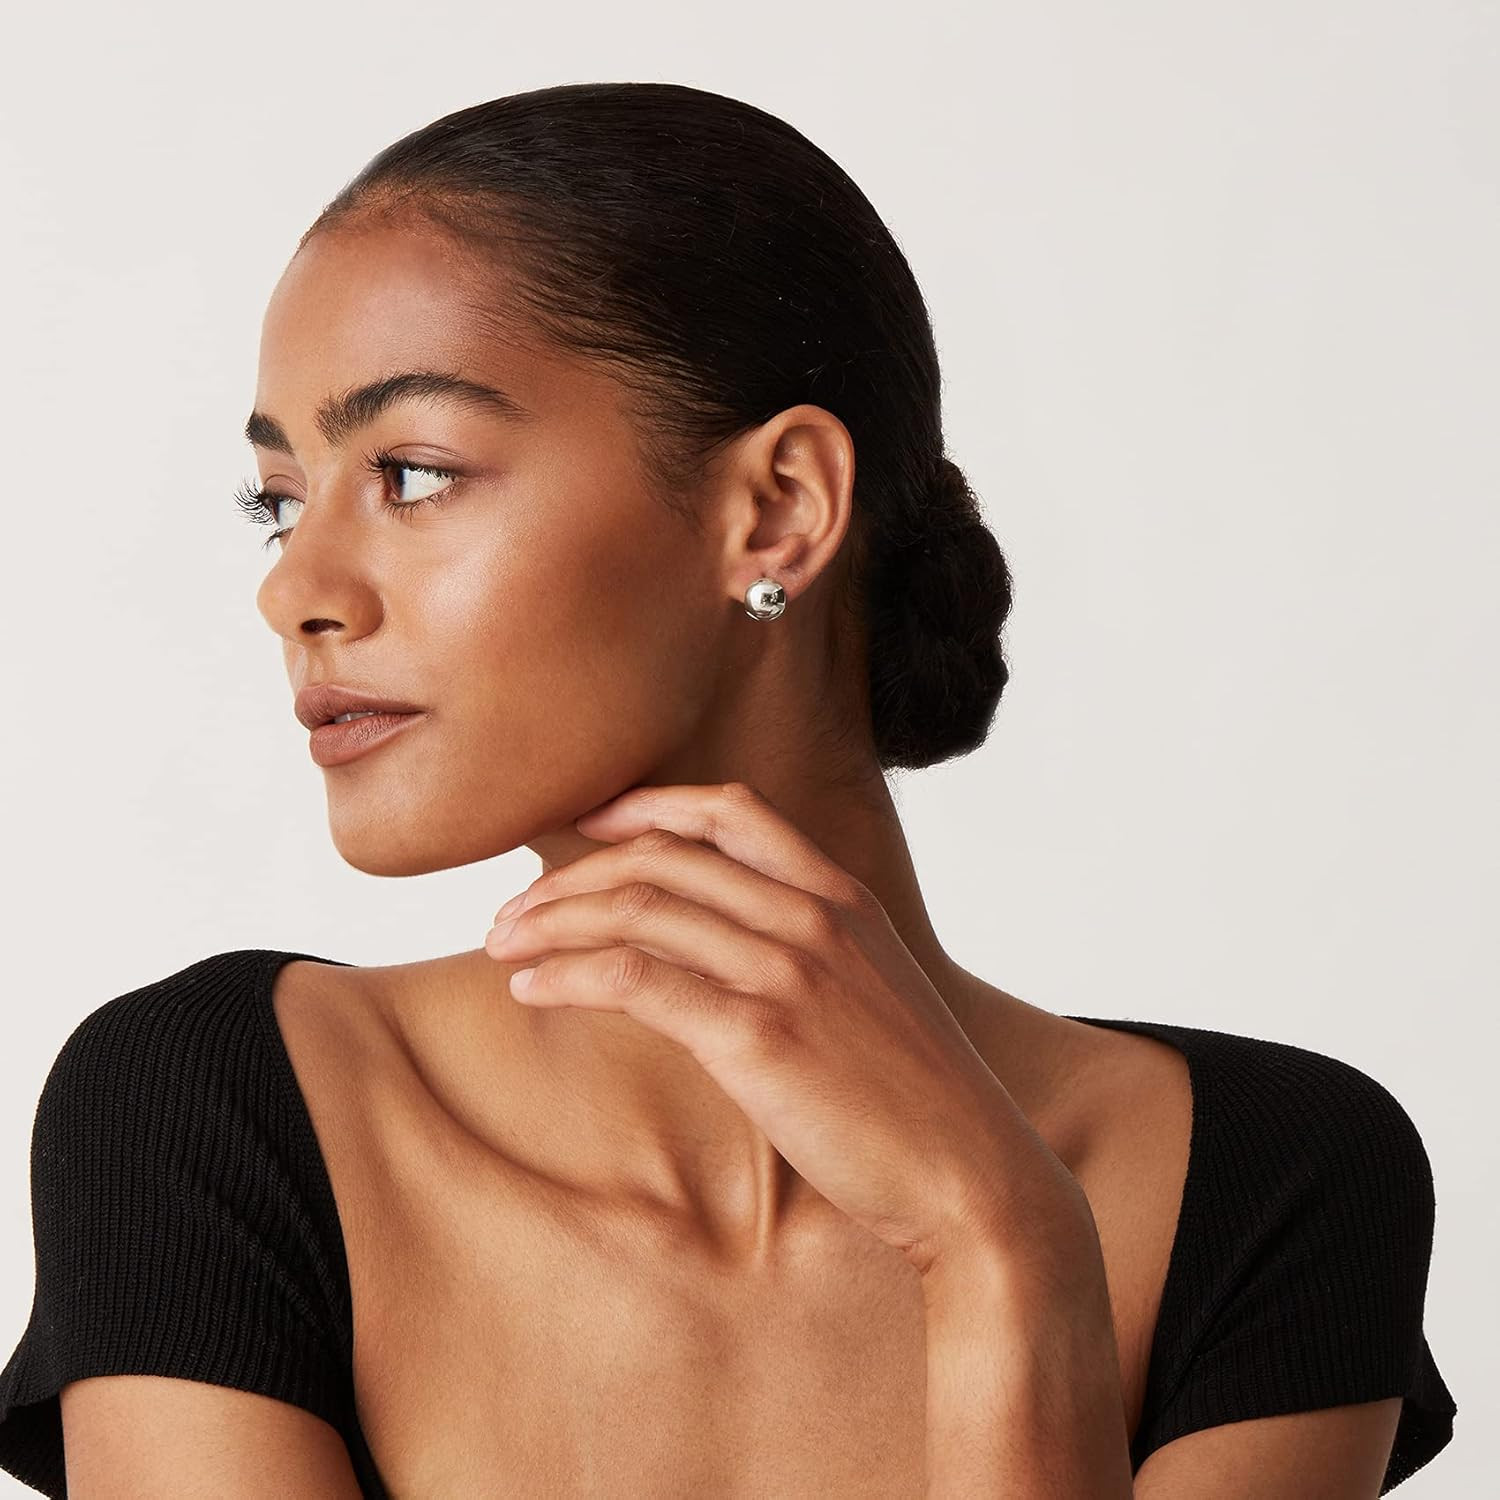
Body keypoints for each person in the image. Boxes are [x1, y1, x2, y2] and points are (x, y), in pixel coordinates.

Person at [0, 81, 1455, 1498]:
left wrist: (997, 1239)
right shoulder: (210, 1119)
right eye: (278, 503)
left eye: (417, 474)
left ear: (776, 509)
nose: (295, 592)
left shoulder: (1270, 1187)